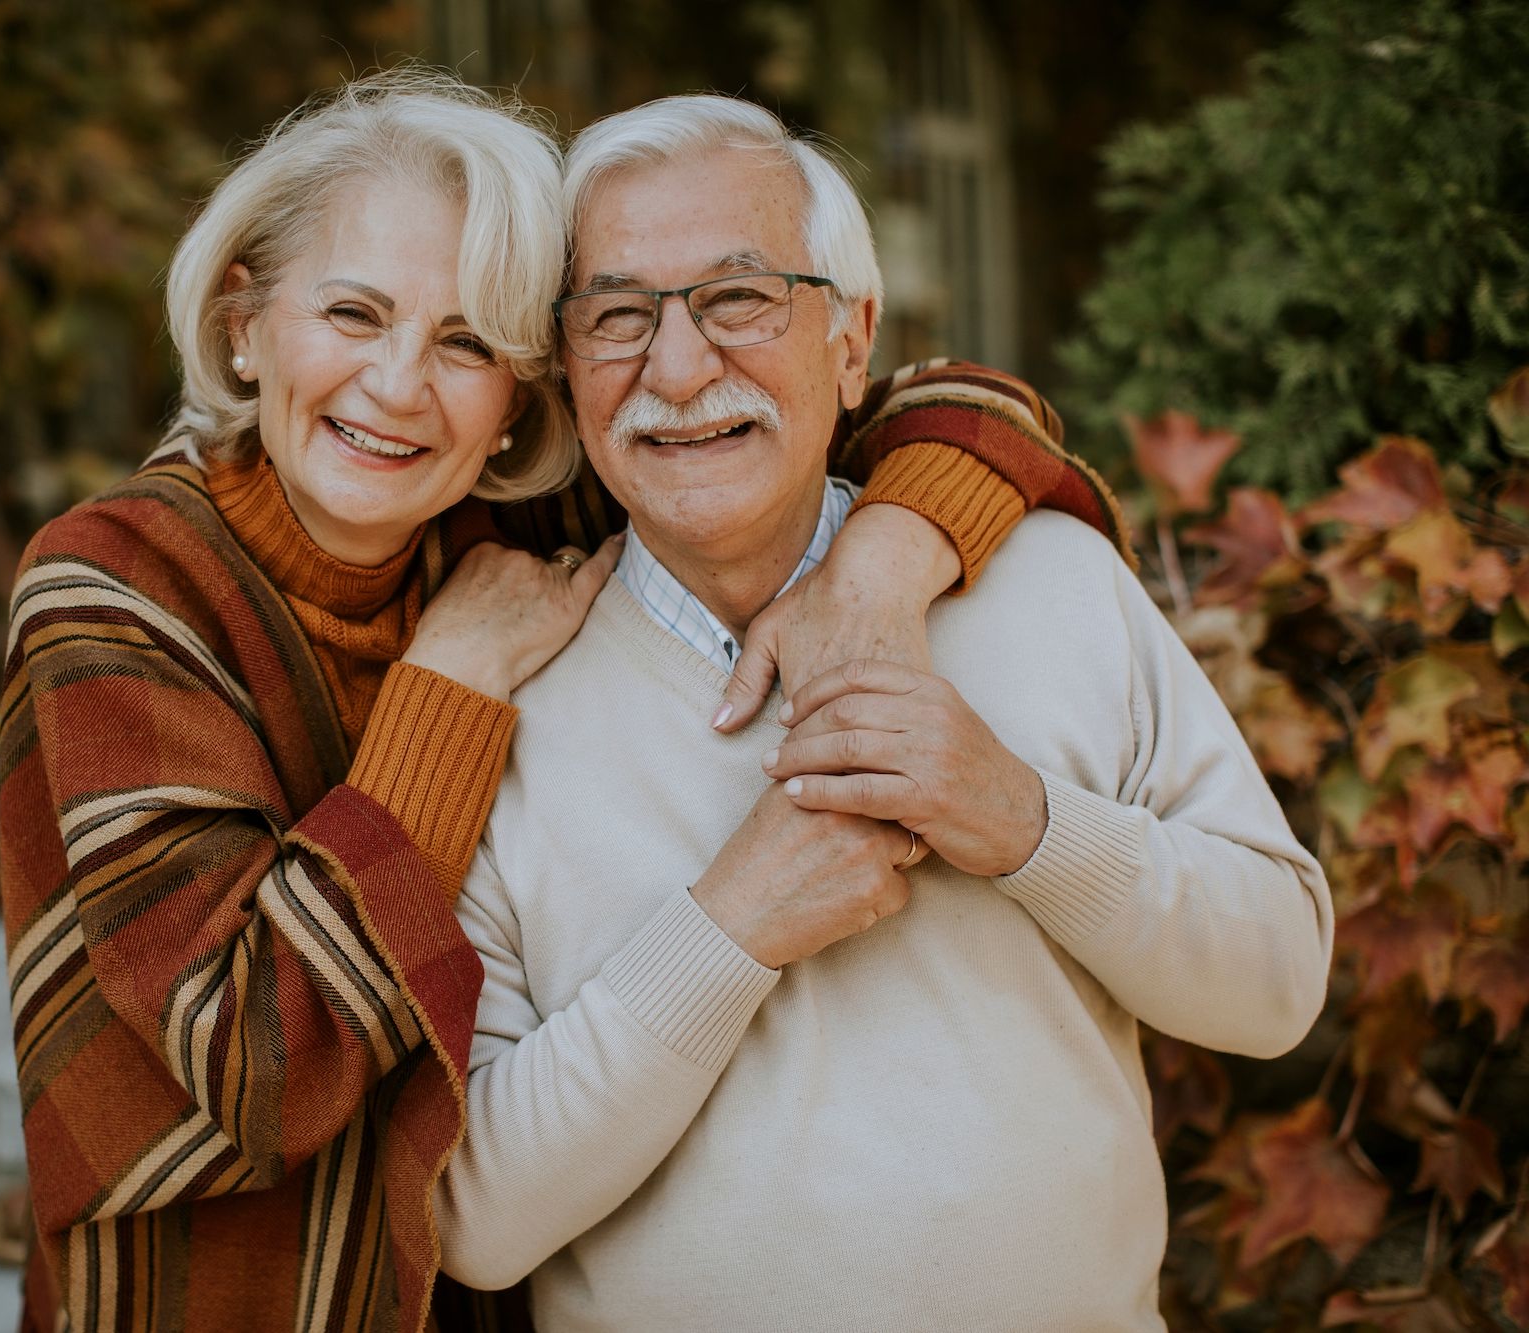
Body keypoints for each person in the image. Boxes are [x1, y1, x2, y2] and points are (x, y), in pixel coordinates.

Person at [0, 72, 1126, 1333]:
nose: (399, 385)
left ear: (520, 398)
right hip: (226, 1290)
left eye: (469, 340)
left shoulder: (517, 515)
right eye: (354, 312)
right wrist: (448, 686)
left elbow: (969, 409)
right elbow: (260, 1054)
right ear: (245, 320)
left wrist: (876, 571)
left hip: (477, 1281)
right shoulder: (118, 585)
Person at [436, 95, 1334, 1331]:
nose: (678, 366)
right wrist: (730, 927)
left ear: (851, 343)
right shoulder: (507, 696)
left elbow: (1278, 984)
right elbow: (475, 1220)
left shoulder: (1048, 582)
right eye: (617, 315)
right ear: (564, 369)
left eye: (740, 298)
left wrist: (1019, 821)